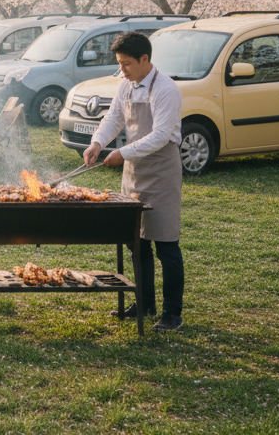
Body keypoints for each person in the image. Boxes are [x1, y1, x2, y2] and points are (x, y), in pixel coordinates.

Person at [84, 31, 185, 332]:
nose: (123, 70)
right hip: (134, 172)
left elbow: (161, 135)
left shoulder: (166, 89)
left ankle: (172, 313)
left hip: (162, 171)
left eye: (126, 64)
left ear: (145, 59)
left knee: (166, 245)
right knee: (137, 243)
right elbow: (113, 118)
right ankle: (145, 302)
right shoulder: (126, 86)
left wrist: (122, 152)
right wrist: (98, 143)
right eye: (119, 64)